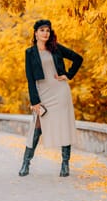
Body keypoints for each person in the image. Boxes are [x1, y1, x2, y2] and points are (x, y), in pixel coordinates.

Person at [19, 19, 83, 177]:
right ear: (36, 33)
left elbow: (78, 58)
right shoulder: (29, 53)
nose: (45, 33)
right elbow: (30, 78)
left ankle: (65, 165)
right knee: (37, 127)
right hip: (43, 93)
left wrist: (67, 75)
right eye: (42, 30)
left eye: (47, 30)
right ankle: (26, 163)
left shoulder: (55, 49)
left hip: (60, 92)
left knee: (64, 125)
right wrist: (35, 101)